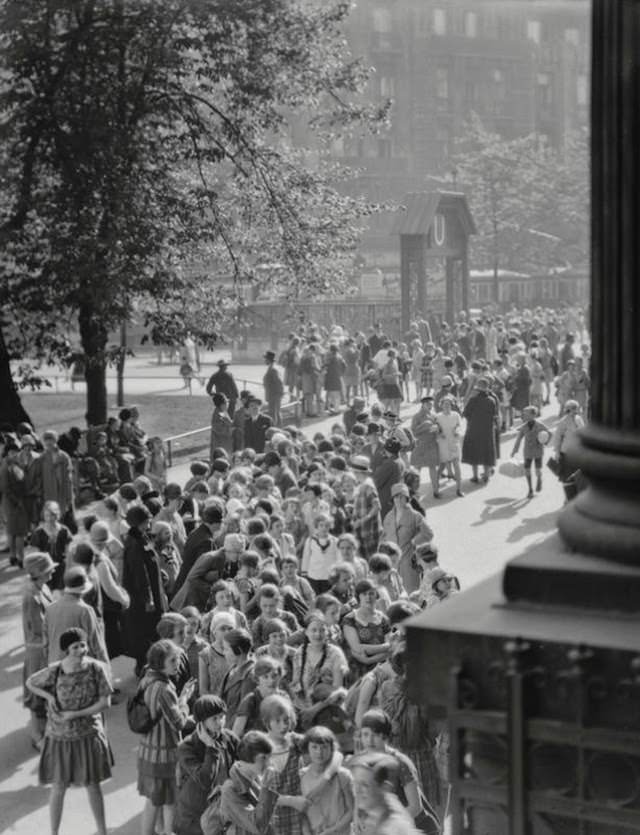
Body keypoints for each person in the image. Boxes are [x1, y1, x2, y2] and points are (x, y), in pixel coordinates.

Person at [26, 627, 113, 835]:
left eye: (83, 645)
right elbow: (31, 682)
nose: (81, 650)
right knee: (59, 786)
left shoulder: (96, 668)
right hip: (60, 737)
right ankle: (53, 832)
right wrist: (49, 697)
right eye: (75, 647)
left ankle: (102, 831)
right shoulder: (55, 670)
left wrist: (77, 714)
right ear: (66, 649)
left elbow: (105, 702)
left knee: (93, 785)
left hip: (88, 734)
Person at [137, 639, 196, 835]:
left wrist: (179, 699)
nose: (177, 663)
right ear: (159, 662)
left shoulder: (147, 679)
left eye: (178, 659)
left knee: (153, 801)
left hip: (149, 749)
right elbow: (178, 722)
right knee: (170, 801)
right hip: (164, 754)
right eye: (172, 660)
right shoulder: (163, 688)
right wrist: (185, 702)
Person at [174, 695, 239, 835]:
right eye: (214, 718)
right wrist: (211, 748)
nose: (220, 722)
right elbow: (205, 780)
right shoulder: (187, 747)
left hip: (224, 808)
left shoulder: (229, 738)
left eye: (222, 716)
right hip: (196, 814)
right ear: (201, 723)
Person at [121, 505, 169, 676]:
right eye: (146, 520)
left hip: (153, 592)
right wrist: (147, 599)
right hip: (142, 599)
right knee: (145, 633)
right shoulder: (134, 544)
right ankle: (144, 666)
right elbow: (139, 574)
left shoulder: (142, 538)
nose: (149, 522)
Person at [22, 552, 55, 749]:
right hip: (37, 651)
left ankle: (45, 731)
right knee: (36, 695)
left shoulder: (42, 587)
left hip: (44, 648)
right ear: (40, 573)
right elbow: (38, 628)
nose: (52, 572)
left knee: (45, 693)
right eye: (49, 570)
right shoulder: (32, 597)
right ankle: (37, 736)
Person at [43, 567, 109, 665]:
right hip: (79, 666)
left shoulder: (50, 609)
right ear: (84, 590)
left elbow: (45, 644)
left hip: (56, 666)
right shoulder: (85, 610)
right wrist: (106, 668)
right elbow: (97, 645)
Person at [218, 730, 278, 835]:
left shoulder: (255, 779)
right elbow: (258, 826)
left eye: (269, 757)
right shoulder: (230, 789)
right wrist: (266, 788)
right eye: (263, 758)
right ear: (248, 757)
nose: (269, 763)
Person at [349, 753, 423, 835]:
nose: (357, 790)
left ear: (384, 788)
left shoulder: (394, 827)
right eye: (355, 783)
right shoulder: (372, 815)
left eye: (365, 785)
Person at [300, 726, 355, 835]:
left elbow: (352, 810)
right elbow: (301, 812)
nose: (319, 752)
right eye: (314, 747)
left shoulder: (342, 775)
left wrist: (331, 831)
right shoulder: (301, 775)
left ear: (332, 749)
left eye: (324, 747)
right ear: (307, 749)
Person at [381, 483, 433, 594]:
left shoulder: (415, 516)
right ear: (392, 499)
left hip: (409, 562)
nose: (398, 500)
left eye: (401, 497)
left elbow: (428, 533)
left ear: (407, 499)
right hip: (392, 565)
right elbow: (383, 538)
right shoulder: (388, 517)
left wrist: (414, 542)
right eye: (396, 497)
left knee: (412, 594)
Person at [342, 579, 390, 679]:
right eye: (364, 594)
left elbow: (391, 648)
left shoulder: (383, 619)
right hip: (357, 670)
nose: (368, 597)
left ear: (376, 595)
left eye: (371, 593)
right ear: (358, 596)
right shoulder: (350, 619)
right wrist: (386, 647)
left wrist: (369, 660)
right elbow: (357, 648)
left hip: (381, 670)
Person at [36, 430, 76, 532]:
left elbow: (70, 474)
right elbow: (39, 476)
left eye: (51, 439)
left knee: (64, 513)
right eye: (46, 440)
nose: (49, 442)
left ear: (55, 440)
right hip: (49, 491)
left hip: (63, 490)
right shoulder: (42, 458)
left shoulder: (63, 456)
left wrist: (70, 493)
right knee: (52, 515)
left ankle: (64, 535)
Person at [462, 377, 498, 484]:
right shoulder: (492, 400)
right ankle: (486, 475)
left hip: (474, 429)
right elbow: (494, 415)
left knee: (474, 452)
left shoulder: (473, 400)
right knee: (486, 451)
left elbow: (466, 413)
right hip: (487, 430)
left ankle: (475, 476)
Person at [511, 406, 551, 498]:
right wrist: (514, 451)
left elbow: (549, 434)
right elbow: (518, 439)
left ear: (533, 415)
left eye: (526, 414)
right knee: (527, 470)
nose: (523, 416)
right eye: (524, 414)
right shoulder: (524, 427)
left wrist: (544, 441)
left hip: (538, 451)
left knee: (537, 471)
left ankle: (539, 478)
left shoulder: (540, 425)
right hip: (527, 452)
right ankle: (530, 490)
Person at [0, 437, 28, 566]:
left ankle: (13, 556)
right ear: (7, 453)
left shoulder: (14, 464)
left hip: (13, 502)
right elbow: (5, 488)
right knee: (19, 532)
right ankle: (21, 558)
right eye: (12, 452)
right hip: (14, 502)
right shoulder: (6, 467)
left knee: (12, 531)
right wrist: (18, 502)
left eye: (16, 451)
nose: (15, 454)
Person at [351, 456, 382, 560]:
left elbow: (376, 507)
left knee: (371, 560)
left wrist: (362, 520)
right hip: (362, 530)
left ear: (357, 472)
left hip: (369, 530)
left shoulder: (368, 485)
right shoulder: (361, 485)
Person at [410, 396, 441, 499]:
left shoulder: (433, 415)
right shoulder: (417, 417)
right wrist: (424, 425)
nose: (430, 406)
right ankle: (414, 492)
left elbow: (439, 429)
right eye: (428, 404)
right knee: (417, 470)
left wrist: (437, 429)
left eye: (431, 404)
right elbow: (413, 432)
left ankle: (436, 491)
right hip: (421, 445)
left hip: (432, 444)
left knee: (433, 468)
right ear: (422, 405)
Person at [435, 395, 464, 497]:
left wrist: (457, 431)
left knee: (456, 464)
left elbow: (459, 426)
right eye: (445, 404)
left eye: (449, 404)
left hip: (454, 442)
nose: (447, 406)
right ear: (441, 405)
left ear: (452, 405)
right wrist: (439, 432)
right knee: (442, 466)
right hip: (443, 443)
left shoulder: (456, 415)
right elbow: (436, 429)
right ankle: (436, 486)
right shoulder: (438, 416)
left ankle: (459, 489)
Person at [552, 399, 585, 482]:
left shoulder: (579, 419)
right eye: (573, 408)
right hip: (566, 452)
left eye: (576, 408)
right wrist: (557, 452)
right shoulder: (563, 421)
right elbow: (557, 437)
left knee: (579, 476)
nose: (575, 410)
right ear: (568, 410)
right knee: (567, 477)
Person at [210, 393, 234, 460]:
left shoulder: (223, 412)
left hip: (225, 446)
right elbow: (222, 430)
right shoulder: (218, 415)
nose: (228, 403)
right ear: (223, 404)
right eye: (227, 402)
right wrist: (233, 428)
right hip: (221, 448)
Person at [264, 351, 285, 427]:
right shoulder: (272, 368)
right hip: (273, 394)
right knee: (276, 412)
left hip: (274, 394)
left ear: (269, 359)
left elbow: (279, 382)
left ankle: (276, 427)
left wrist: (280, 393)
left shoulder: (273, 369)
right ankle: (279, 427)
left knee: (274, 413)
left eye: (265, 359)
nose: (264, 360)